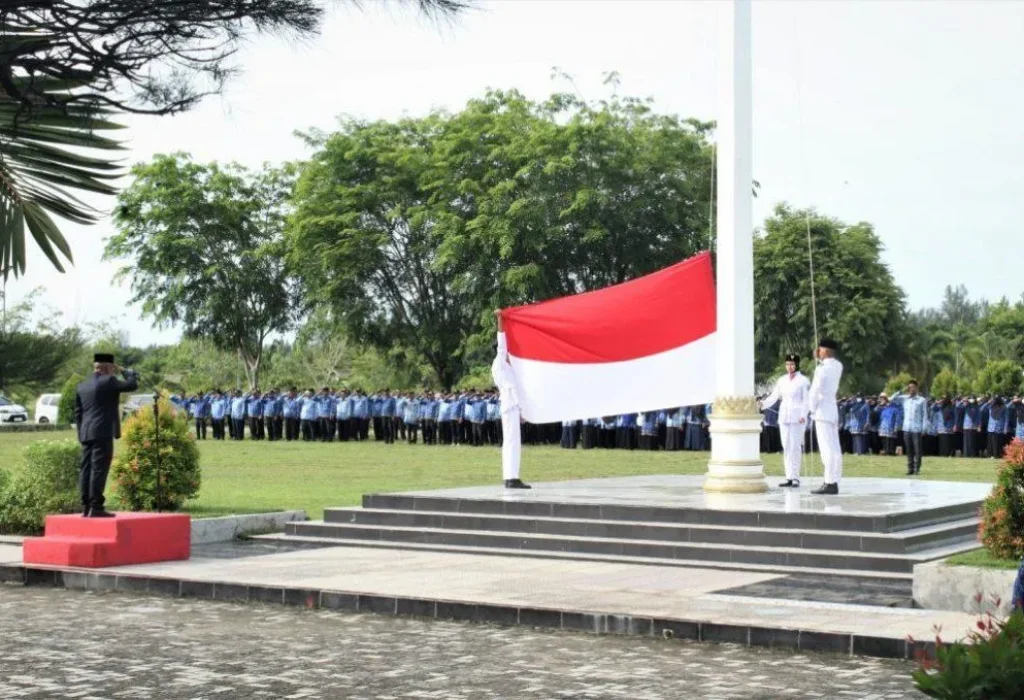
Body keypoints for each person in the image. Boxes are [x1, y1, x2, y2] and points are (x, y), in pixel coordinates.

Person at [73, 354, 139, 517]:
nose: (113, 372)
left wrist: (81, 433)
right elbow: (131, 385)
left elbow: (78, 413)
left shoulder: (82, 385)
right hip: (102, 431)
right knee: (99, 469)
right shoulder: (108, 381)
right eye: (112, 369)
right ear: (107, 367)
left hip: (86, 432)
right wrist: (129, 373)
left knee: (86, 469)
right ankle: (96, 507)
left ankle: (86, 506)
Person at [761, 353, 810, 488]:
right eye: (788, 364)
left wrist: (803, 415)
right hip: (784, 417)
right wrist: (762, 404)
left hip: (797, 418)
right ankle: (788, 477)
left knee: (795, 447)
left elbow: (806, 401)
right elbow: (774, 396)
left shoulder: (803, 381)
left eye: (792, 364)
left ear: (797, 365)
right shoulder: (782, 380)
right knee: (787, 447)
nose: (790, 366)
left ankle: (795, 477)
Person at [492, 310, 529, 489]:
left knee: (512, 441)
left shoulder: (506, 366)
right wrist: (501, 320)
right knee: (512, 441)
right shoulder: (499, 362)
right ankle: (511, 477)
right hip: (509, 406)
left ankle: (511, 476)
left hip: (512, 406)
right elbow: (501, 343)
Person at [809, 339, 843, 495]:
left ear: (827, 351)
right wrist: (819, 359)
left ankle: (829, 482)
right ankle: (834, 480)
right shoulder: (838, 366)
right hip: (832, 409)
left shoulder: (821, 369)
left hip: (822, 410)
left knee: (826, 449)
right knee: (835, 448)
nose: (818, 351)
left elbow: (815, 391)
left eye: (821, 349)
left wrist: (811, 408)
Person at [889, 380, 929, 475]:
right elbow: (891, 399)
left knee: (917, 450)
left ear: (916, 388)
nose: (911, 389)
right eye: (909, 387)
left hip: (917, 428)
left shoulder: (921, 400)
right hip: (906, 428)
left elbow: (925, 415)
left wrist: (924, 428)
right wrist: (902, 390)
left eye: (913, 387)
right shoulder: (905, 398)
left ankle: (917, 469)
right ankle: (910, 468)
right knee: (909, 449)